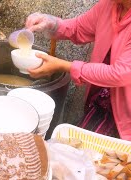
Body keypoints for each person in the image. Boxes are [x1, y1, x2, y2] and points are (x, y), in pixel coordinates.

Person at [25, 0, 131, 140]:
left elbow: (121, 73)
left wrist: (65, 66)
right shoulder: (109, 5)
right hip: (101, 103)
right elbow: (79, 28)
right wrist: (51, 23)